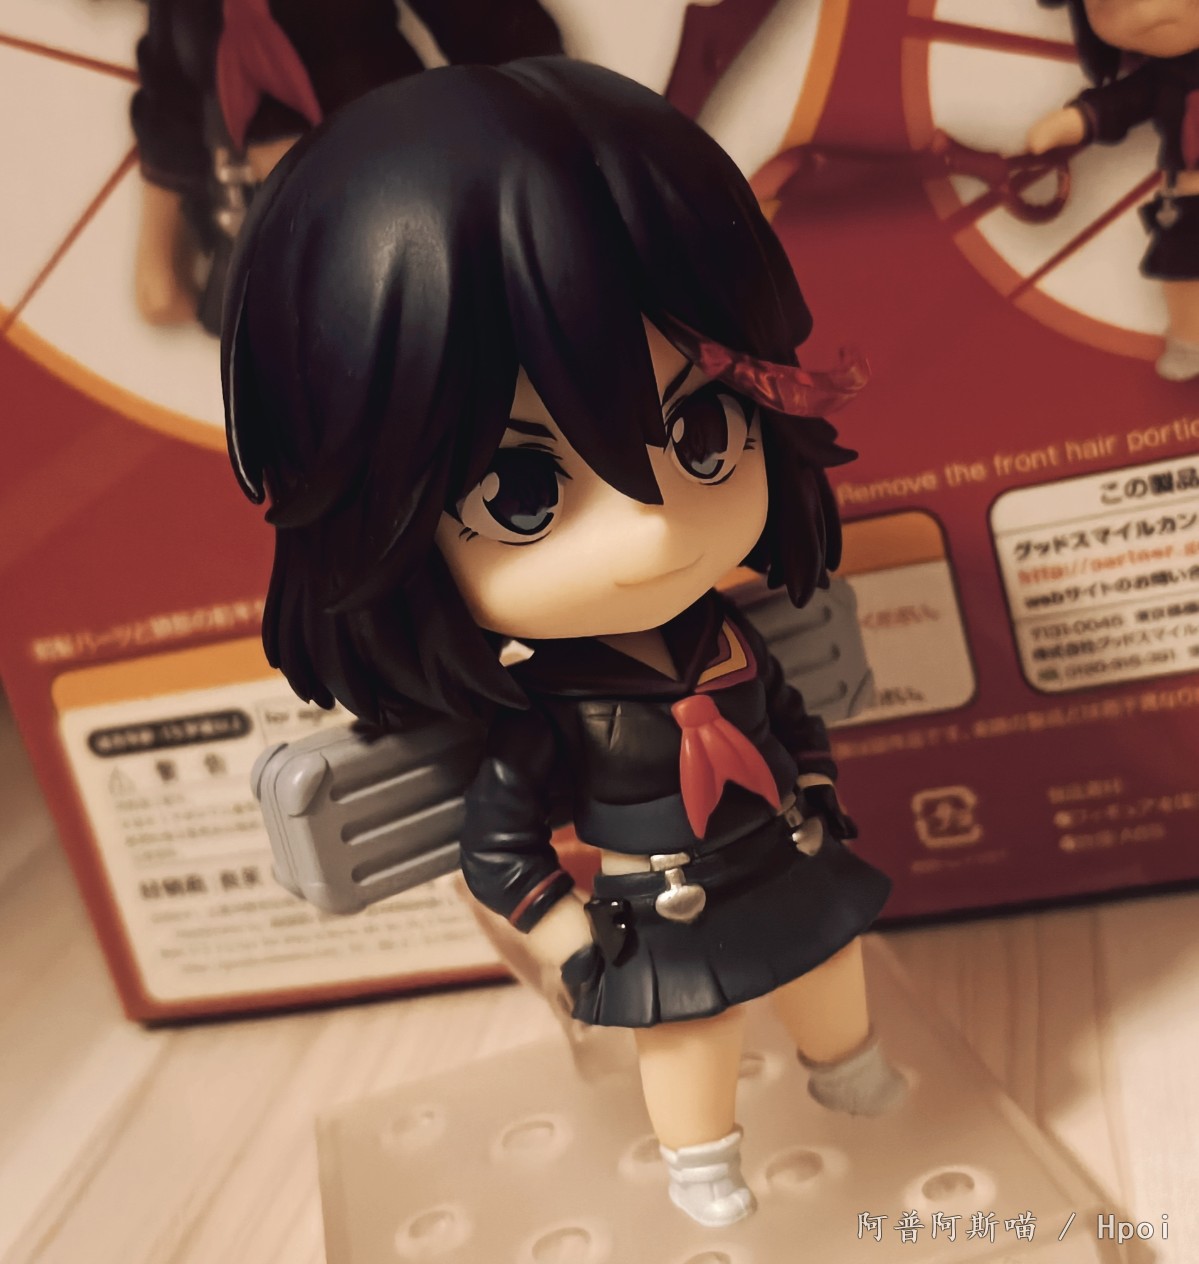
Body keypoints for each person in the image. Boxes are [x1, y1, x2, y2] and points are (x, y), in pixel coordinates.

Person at [223, 57, 902, 1228]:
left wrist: (821, 792)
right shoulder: (557, 709)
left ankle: (847, 1072)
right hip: (658, 898)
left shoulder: (724, 640)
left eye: (700, 433)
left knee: (832, 967)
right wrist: (563, 930)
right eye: (523, 493)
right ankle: (702, 1166)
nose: (649, 528)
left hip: (781, 855)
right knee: (689, 1032)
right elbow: (498, 836)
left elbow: (787, 717)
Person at [1028, 0, 1199, 379]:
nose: (1150, 12)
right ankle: (1190, 341)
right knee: (1185, 273)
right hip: (1191, 201)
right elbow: (1119, 104)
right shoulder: (1160, 80)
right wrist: (1073, 121)